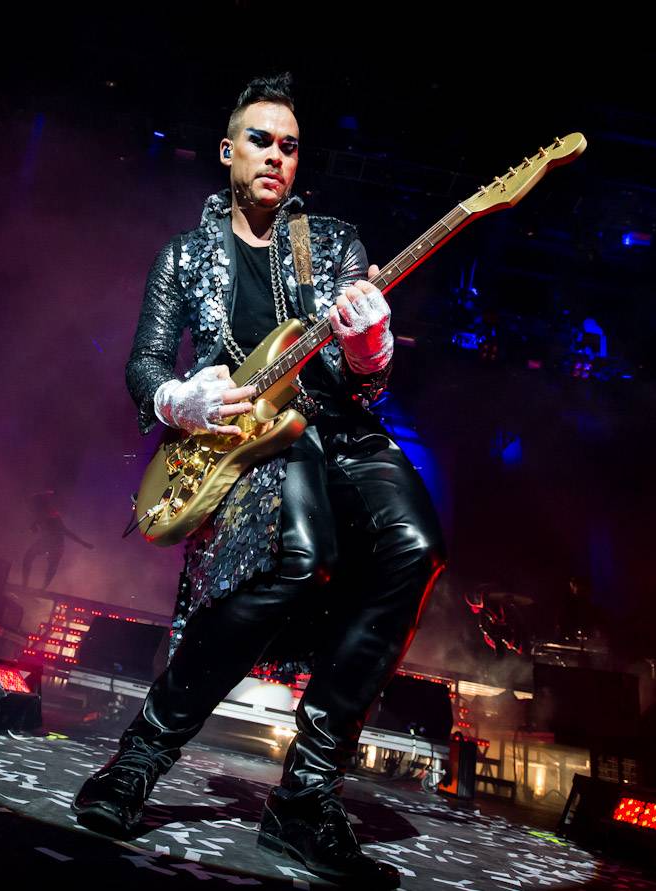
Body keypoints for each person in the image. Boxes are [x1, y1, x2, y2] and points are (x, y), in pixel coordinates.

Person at [71, 72, 447, 889]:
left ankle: (305, 798)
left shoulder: (333, 242)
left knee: (416, 545)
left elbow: (366, 381)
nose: (277, 154)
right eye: (261, 140)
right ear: (226, 151)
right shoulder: (183, 255)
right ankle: (139, 758)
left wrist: (371, 346)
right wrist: (178, 398)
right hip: (249, 440)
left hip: (338, 428)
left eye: (290, 145)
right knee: (298, 554)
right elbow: (144, 362)